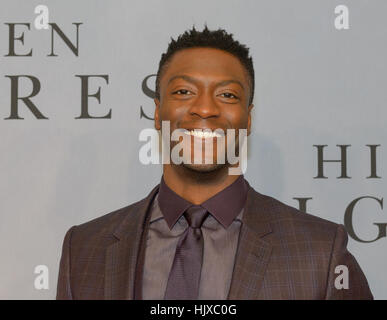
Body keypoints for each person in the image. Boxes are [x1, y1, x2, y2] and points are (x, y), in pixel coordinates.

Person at [56, 25, 373, 300]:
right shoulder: (83, 250)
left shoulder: (320, 254)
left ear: (248, 119)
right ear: (157, 111)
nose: (205, 109)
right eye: (183, 91)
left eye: (227, 95)